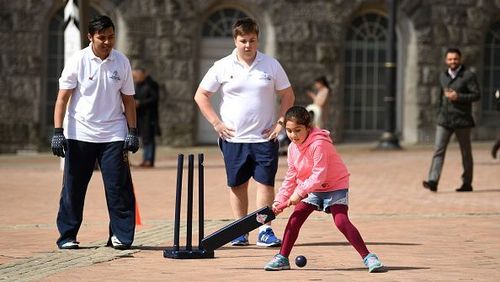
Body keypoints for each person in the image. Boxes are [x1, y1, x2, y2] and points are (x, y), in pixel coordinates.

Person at [194, 17, 295, 247]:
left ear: (258, 40)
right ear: (235, 40)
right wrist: (216, 124)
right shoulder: (222, 65)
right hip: (234, 138)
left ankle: (265, 230)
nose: (248, 45)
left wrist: (280, 122)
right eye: (243, 41)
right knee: (237, 184)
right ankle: (240, 229)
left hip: (264, 137)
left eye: (252, 40)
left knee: (265, 182)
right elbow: (201, 96)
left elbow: (288, 94)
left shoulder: (271, 64)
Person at [51, 15, 139, 250]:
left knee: (118, 187)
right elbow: (62, 98)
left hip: (113, 134)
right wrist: (58, 131)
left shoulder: (121, 62)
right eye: (102, 37)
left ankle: (121, 236)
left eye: (111, 37)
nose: (107, 42)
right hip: (80, 133)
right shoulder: (78, 60)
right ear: (90, 37)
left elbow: (128, 100)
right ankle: (67, 235)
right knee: (73, 186)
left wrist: (132, 131)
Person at [264, 106, 384, 272]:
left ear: (308, 127)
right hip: (311, 189)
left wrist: (299, 193)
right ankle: (282, 258)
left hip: (335, 185)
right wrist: (280, 200)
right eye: (289, 131)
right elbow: (291, 176)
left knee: (341, 221)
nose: (293, 135)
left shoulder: (319, 144)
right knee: (295, 219)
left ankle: (369, 257)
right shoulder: (292, 149)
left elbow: (319, 175)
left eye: (298, 130)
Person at [422, 48, 480, 192]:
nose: (452, 61)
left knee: (466, 153)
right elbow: (441, 98)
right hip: (444, 120)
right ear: (446, 60)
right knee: (438, 150)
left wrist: (458, 97)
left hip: (462, 120)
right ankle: (433, 181)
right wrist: (439, 112)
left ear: (460, 59)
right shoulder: (443, 76)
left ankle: (467, 183)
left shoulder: (468, 76)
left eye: (455, 59)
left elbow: (476, 95)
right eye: (450, 59)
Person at [132, 67, 160, 168]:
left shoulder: (151, 84)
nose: (134, 78)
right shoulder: (137, 85)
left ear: (142, 74)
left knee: (149, 138)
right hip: (140, 116)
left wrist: (140, 103)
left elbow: (154, 98)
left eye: (136, 75)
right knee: (144, 138)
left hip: (149, 116)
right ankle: (145, 159)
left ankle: (149, 159)